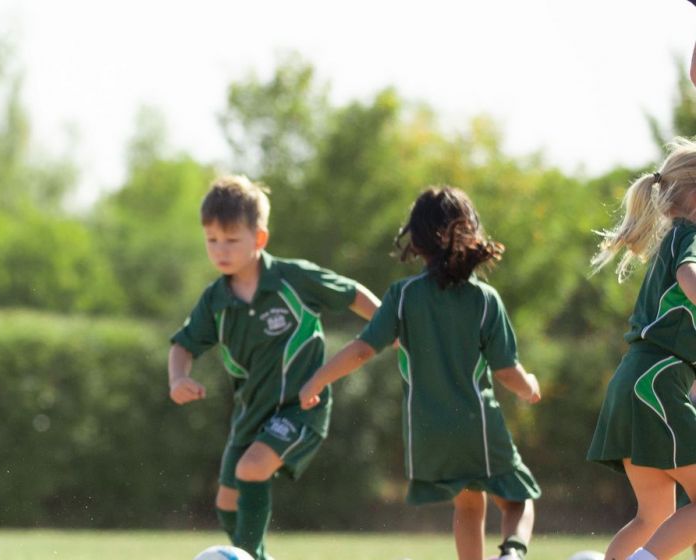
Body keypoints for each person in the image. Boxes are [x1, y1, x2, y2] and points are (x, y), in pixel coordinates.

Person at [299, 187, 541, 560]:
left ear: (417, 241)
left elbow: (362, 350)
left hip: (428, 431)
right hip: (476, 422)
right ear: (472, 233)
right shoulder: (484, 300)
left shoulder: (403, 295)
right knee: (517, 499)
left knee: (468, 505)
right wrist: (529, 388)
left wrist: (317, 379)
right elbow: (507, 371)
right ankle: (511, 553)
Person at [166, 176, 379, 560]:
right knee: (226, 504)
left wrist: (388, 328)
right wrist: (179, 377)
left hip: (301, 406)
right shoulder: (215, 300)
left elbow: (351, 293)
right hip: (251, 414)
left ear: (259, 239)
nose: (220, 249)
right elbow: (183, 345)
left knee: (252, 469)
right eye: (212, 240)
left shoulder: (292, 279)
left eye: (231, 240)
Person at [586, 139, 696, 560]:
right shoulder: (690, 237)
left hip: (633, 380)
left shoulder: (673, 238)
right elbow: (690, 277)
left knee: (653, 517)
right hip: (657, 383)